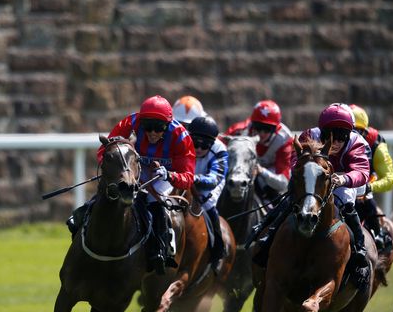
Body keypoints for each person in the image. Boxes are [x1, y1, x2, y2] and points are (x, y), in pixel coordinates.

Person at [66, 95, 196, 274]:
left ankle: (158, 250)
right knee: (110, 190)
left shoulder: (181, 137)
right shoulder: (132, 121)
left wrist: (170, 175)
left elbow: (188, 177)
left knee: (153, 202)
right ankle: (82, 216)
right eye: (147, 127)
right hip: (133, 170)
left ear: (168, 125)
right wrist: (116, 170)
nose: (152, 133)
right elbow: (105, 151)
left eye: (158, 128)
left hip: (162, 177)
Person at [253, 103, 372, 287]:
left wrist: (343, 179)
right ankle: (267, 238)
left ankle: (360, 253)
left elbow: (362, 172)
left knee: (347, 204)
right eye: (331, 134)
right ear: (321, 131)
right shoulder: (309, 135)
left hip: (343, 180)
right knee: (292, 199)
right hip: (313, 178)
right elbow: (295, 162)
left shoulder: (357, 143)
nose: (338, 140)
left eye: (343, 135)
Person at [225, 100, 294, 202]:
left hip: (267, 175)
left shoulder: (284, 140)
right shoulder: (237, 131)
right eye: (258, 127)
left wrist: (261, 171)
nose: (261, 133)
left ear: (275, 129)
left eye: (266, 129)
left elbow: (283, 183)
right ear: (252, 124)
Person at [350, 104, 393, 255]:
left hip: (363, 189)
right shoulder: (333, 138)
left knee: (365, 198)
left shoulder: (377, 146)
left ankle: (379, 236)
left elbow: (389, 179)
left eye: (355, 132)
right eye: (347, 131)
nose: (350, 137)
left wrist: (370, 187)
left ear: (364, 131)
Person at [187, 115, 228, 273]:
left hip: (209, 182)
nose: (198, 149)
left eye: (205, 146)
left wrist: (193, 178)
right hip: (187, 177)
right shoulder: (182, 142)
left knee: (208, 205)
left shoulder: (220, 150)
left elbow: (214, 179)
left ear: (212, 144)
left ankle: (218, 250)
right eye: (195, 143)